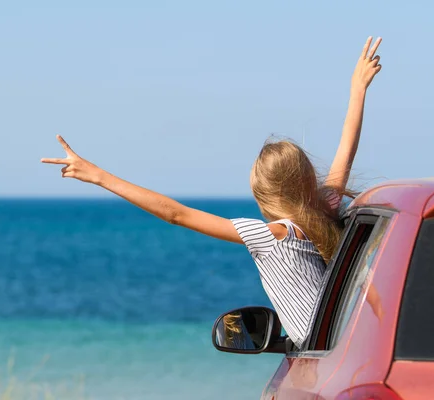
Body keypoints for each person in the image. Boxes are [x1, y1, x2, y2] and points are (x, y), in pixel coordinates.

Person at [41, 37, 383, 348]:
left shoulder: (272, 235)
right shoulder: (323, 208)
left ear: (264, 195)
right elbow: (345, 151)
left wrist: (99, 176)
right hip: (342, 342)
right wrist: (358, 89)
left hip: (318, 351)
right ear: (307, 181)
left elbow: (175, 214)